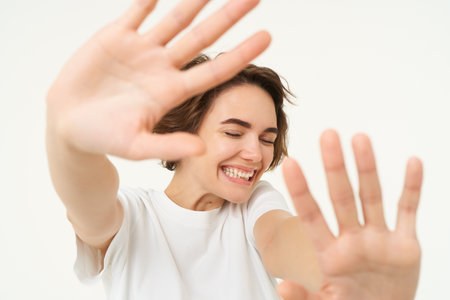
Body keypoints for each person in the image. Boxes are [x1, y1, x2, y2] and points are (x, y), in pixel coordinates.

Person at [45, 0, 424, 299]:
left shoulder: (255, 205)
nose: (256, 155)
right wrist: (67, 136)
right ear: (185, 127)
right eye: (234, 132)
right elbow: (88, 200)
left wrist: (339, 270)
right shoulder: (135, 216)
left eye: (267, 138)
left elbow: (280, 240)